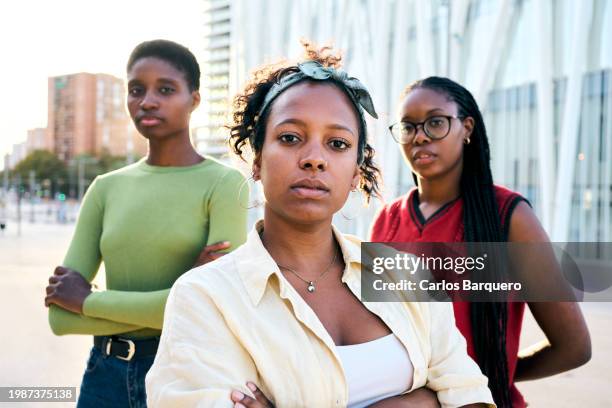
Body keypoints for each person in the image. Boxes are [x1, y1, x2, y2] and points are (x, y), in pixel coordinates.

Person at [145, 43, 494, 408]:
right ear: (258, 160)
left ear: (356, 172)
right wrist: (418, 402)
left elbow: (470, 395)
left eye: (337, 143)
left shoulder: (402, 274)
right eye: (290, 138)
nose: (314, 159)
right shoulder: (206, 296)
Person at [44, 39, 248, 407]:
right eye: (136, 90)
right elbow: (61, 318)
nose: (147, 101)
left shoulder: (225, 184)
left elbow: (216, 309)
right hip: (104, 378)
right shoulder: (105, 188)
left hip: (186, 376)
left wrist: (86, 301)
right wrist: (178, 298)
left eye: (165, 89)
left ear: (195, 99)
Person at [370, 76, 591, 407]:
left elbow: (573, 347)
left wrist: (484, 377)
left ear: (467, 128)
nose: (420, 137)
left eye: (435, 123)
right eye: (408, 127)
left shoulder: (509, 216)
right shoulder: (386, 221)